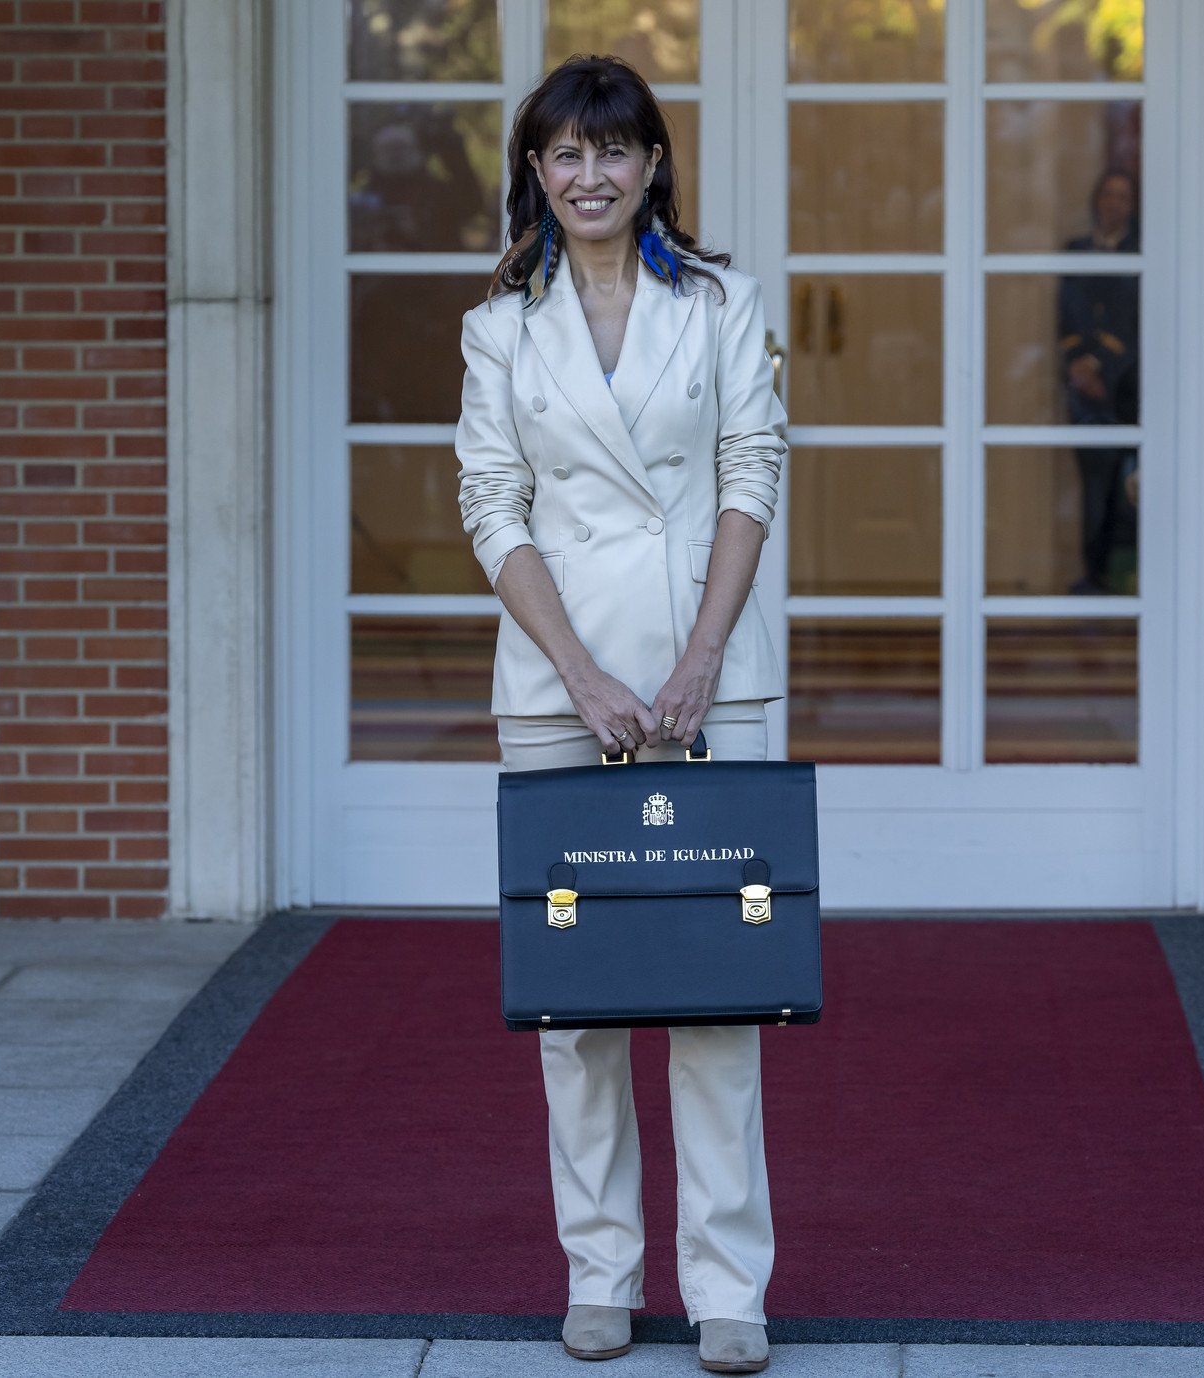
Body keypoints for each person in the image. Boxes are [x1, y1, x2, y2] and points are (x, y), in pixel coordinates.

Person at [452, 54, 788, 1376]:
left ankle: (729, 1289)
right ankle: (599, 1269)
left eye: (614, 150)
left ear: (653, 165)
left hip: (717, 679)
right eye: (563, 155)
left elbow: (751, 471)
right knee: (575, 1003)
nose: (588, 176)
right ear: (536, 175)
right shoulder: (500, 327)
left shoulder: (720, 304)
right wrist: (582, 674)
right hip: (554, 691)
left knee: (721, 994)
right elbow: (494, 505)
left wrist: (702, 654)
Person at [1056, 168, 1141, 594]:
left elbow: (1131, 322)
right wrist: (1078, 364)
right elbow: (1067, 311)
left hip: (1125, 387)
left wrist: (1101, 366)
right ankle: (1093, 574)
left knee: (1124, 484)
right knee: (1091, 483)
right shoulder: (1076, 250)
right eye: (1108, 194)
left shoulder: (1140, 252)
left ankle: (1126, 573)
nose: (1114, 203)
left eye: (1123, 197)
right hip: (1082, 389)